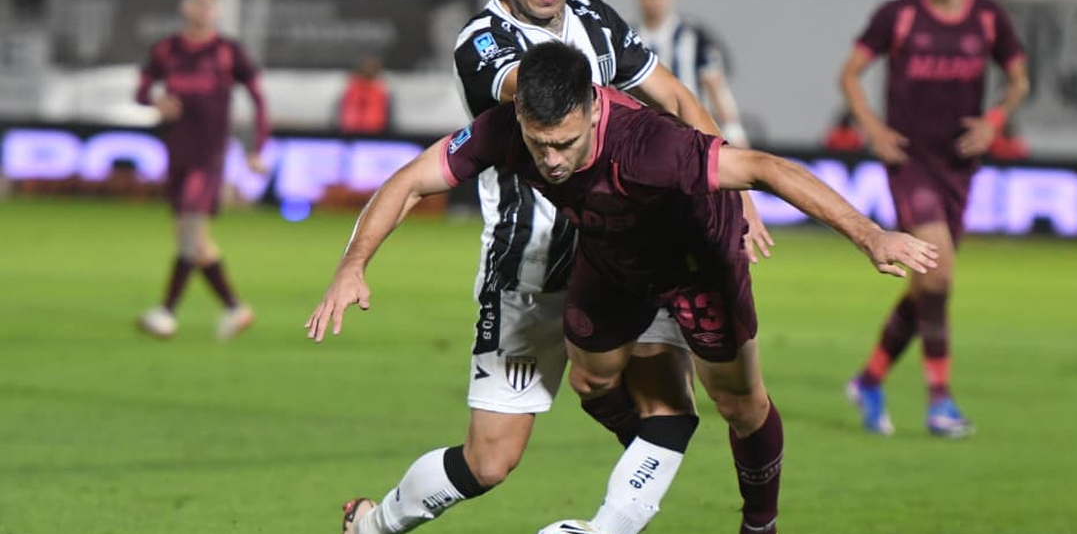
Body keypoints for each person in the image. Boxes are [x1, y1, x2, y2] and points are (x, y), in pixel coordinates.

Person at [308, 42, 937, 534]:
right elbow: (412, 179)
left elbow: (767, 168)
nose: (550, 160)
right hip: (612, 258)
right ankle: (652, 453)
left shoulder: (650, 146)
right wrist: (352, 263)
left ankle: (757, 521)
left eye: (564, 144)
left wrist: (870, 234)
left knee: (739, 405)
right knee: (593, 379)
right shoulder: (509, 129)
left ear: (590, 107)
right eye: (538, 143)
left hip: (695, 263)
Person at [315, 0, 774, 534]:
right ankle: (375, 522)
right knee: (489, 460)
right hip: (527, 273)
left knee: (671, 408)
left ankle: (601, 526)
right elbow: (528, 93)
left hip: (619, 257)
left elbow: (676, 97)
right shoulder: (484, 42)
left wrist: (725, 190)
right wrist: (353, 262)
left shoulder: (598, 19)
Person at [837, 0, 1030, 438]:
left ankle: (871, 379)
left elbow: (1018, 80)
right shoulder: (898, 16)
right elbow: (850, 74)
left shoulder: (988, 19)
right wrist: (873, 128)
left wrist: (994, 122)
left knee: (930, 282)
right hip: (909, 161)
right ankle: (939, 401)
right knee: (939, 271)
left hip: (959, 166)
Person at [134, 0, 269, 340]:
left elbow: (259, 98)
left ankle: (166, 312)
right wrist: (155, 101)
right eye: (199, 2)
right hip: (177, 154)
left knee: (191, 233)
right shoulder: (166, 49)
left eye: (212, 3)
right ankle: (235, 308)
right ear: (185, 6)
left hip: (208, 158)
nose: (205, 9)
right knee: (193, 241)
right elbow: (142, 89)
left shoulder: (227, 52)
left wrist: (258, 148)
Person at [633, 0, 749, 147]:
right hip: (646, 136)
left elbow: (714, 85)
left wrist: (733, 129)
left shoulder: (693, 36)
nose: (654, 0)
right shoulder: (630, 37)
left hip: (691, 133)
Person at [338, 56, 391, 135]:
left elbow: (384, 113)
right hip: (351, 131)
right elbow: (345, 110)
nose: (369, 70)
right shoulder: (351, 88)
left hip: (374, 132)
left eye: (372, 67)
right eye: (368, 67)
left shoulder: (380, 90)